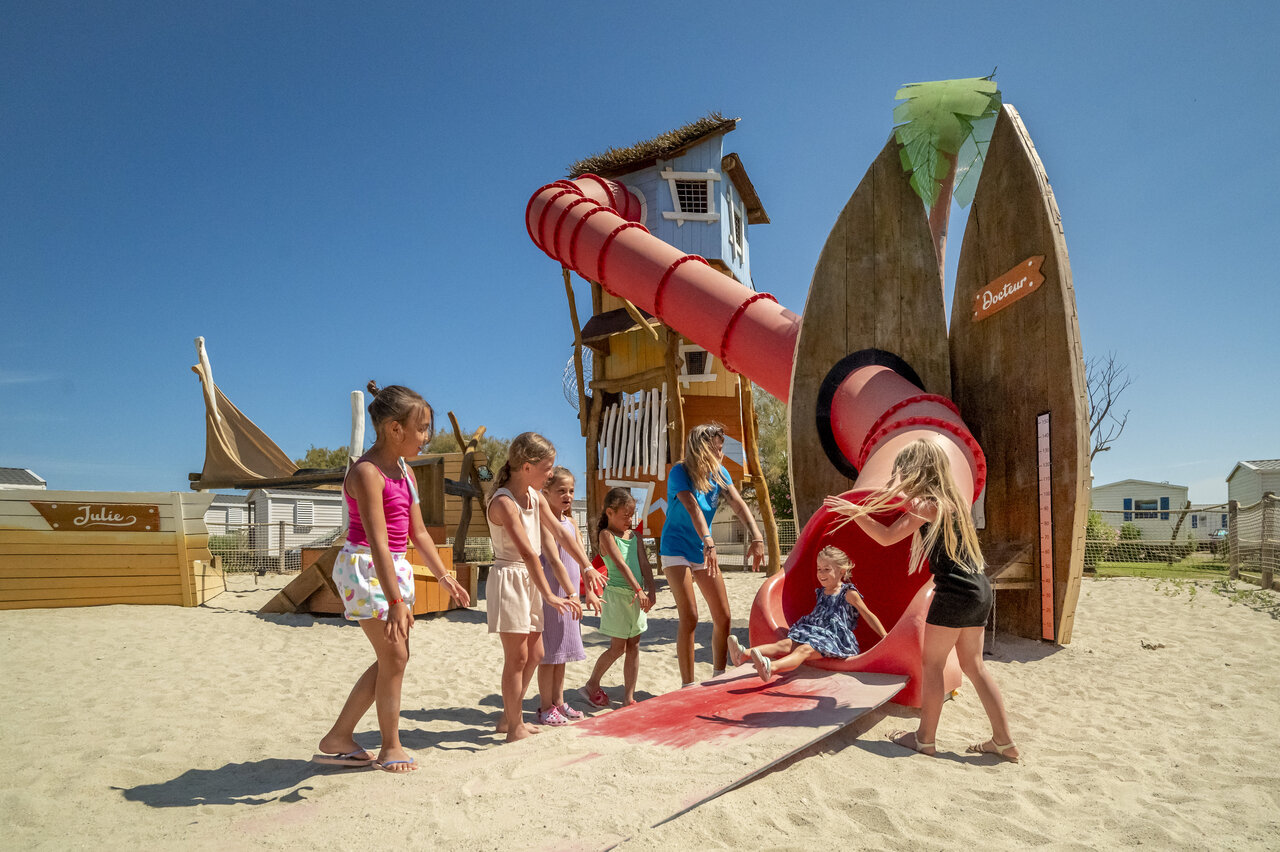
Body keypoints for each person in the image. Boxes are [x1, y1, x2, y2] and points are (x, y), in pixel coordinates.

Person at [825, 437, 1020, 763]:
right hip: (979, 588)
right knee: (975, 666)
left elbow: (886, 537)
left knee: (932, 666)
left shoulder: (927, 504)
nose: (900, 476)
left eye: (904, 470)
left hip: (955, 593)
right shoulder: (953, 502)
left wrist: (854, 512)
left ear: (918, 471)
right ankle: (1003, 741)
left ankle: (924, 739)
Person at [316, 382, 470, 773]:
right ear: (394, 429)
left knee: (392, 659)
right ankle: (390, 747)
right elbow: (379, 543)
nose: (426, 437)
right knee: (396, 655)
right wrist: (398, 601)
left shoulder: (403, 470)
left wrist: (443, 575)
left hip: (391, 567)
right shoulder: (367, 473)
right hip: (365, 566)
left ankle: (339, 737)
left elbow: (417, 533)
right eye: (422, 429)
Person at [486, 432, 599, 742]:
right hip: (511, 577)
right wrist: (549, 593)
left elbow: (563, 536)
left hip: (529, 578)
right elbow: (525, 551)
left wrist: (587, 566)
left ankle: (508, 717)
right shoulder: (505, 502)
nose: (551, 473)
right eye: (547, 468)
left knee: (536, 652)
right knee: (518, 657)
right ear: (526, 466)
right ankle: (514, 727)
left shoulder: (534, 497)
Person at [659, 422, 765, 687]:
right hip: (676, 548)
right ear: (702, 448)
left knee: (724, 616)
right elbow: (692, 506)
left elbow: (738, 505)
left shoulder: (720, 473)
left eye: (721, 448)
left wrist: (757, 536)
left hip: (702, 549)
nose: (721, 454)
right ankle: (688, 684)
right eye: (717, 449)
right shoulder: (680, 471)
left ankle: (718, 675)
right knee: (691, 615)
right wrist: (709, 541)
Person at [727, 546, 887, 681]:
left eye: (827, 569)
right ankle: (743, 654)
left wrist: (884, 637)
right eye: (819, 569)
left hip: (833, 639)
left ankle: (772, 668)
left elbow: (868, 615)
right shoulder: (822, 592)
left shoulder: (848, 593)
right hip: (813, 631)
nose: (821, 574)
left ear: (841, 571)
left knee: (803, 650)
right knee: (784, 644)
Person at [535, 467, 601, 725]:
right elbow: (553, 560)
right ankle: (544, 706)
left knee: (562, 652)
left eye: (571, 490)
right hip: (554, 594)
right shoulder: (543, 523)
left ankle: (559, 702)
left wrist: (590, 593)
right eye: (561, 490)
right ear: (546, 492)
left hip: (572, 595)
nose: (568, 495)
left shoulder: (572, 523)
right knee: (549, 652)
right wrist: (570, 594)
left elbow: (578, 559)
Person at [580, 487, 658, 708]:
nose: (629, 520)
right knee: (617, 648)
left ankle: (628, 697)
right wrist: (639, 590)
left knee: (634, 645)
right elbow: (621, 565)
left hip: (636, 597)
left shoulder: (636, 536)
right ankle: (592, 684)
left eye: (631, 515)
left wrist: (650, 590)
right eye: (625, 515)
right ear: (609, 513)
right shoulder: (606, 535)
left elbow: (644, 565)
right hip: (617, 596)